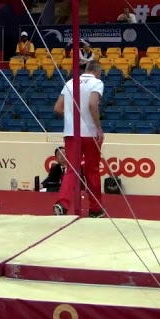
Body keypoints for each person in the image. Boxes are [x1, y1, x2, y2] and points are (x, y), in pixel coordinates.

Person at [52, 60, 105, 218]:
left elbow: (57, 108)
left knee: (71, 170)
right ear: (97, 71)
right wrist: (98, 126)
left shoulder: (70, 83)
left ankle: (62, 203)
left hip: (71, 133)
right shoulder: (97, 83)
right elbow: (92, 104)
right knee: (92, 171)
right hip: (89, 133)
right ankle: (95, 209)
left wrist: (71, 116)